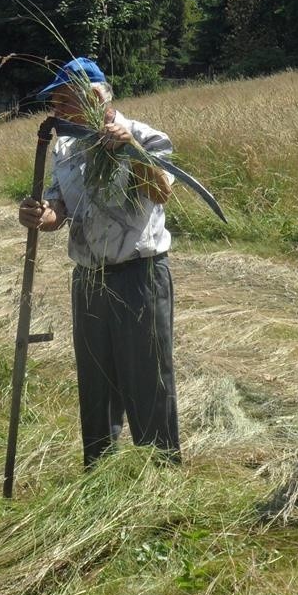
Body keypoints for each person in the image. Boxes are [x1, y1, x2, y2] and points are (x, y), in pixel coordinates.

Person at [18, 57, 181, 467]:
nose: (55, 111)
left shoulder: (147, 137)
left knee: (148, 381)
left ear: (93, 97)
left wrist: (131, 149)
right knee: (95, 384)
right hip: (89, 278)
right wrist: (42, 214)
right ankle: (99, 473)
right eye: (53, 103)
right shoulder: (67, 147)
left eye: (61, 101)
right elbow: (60, 207)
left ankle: (161, 477)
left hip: (139, 276)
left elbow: (161, 191)